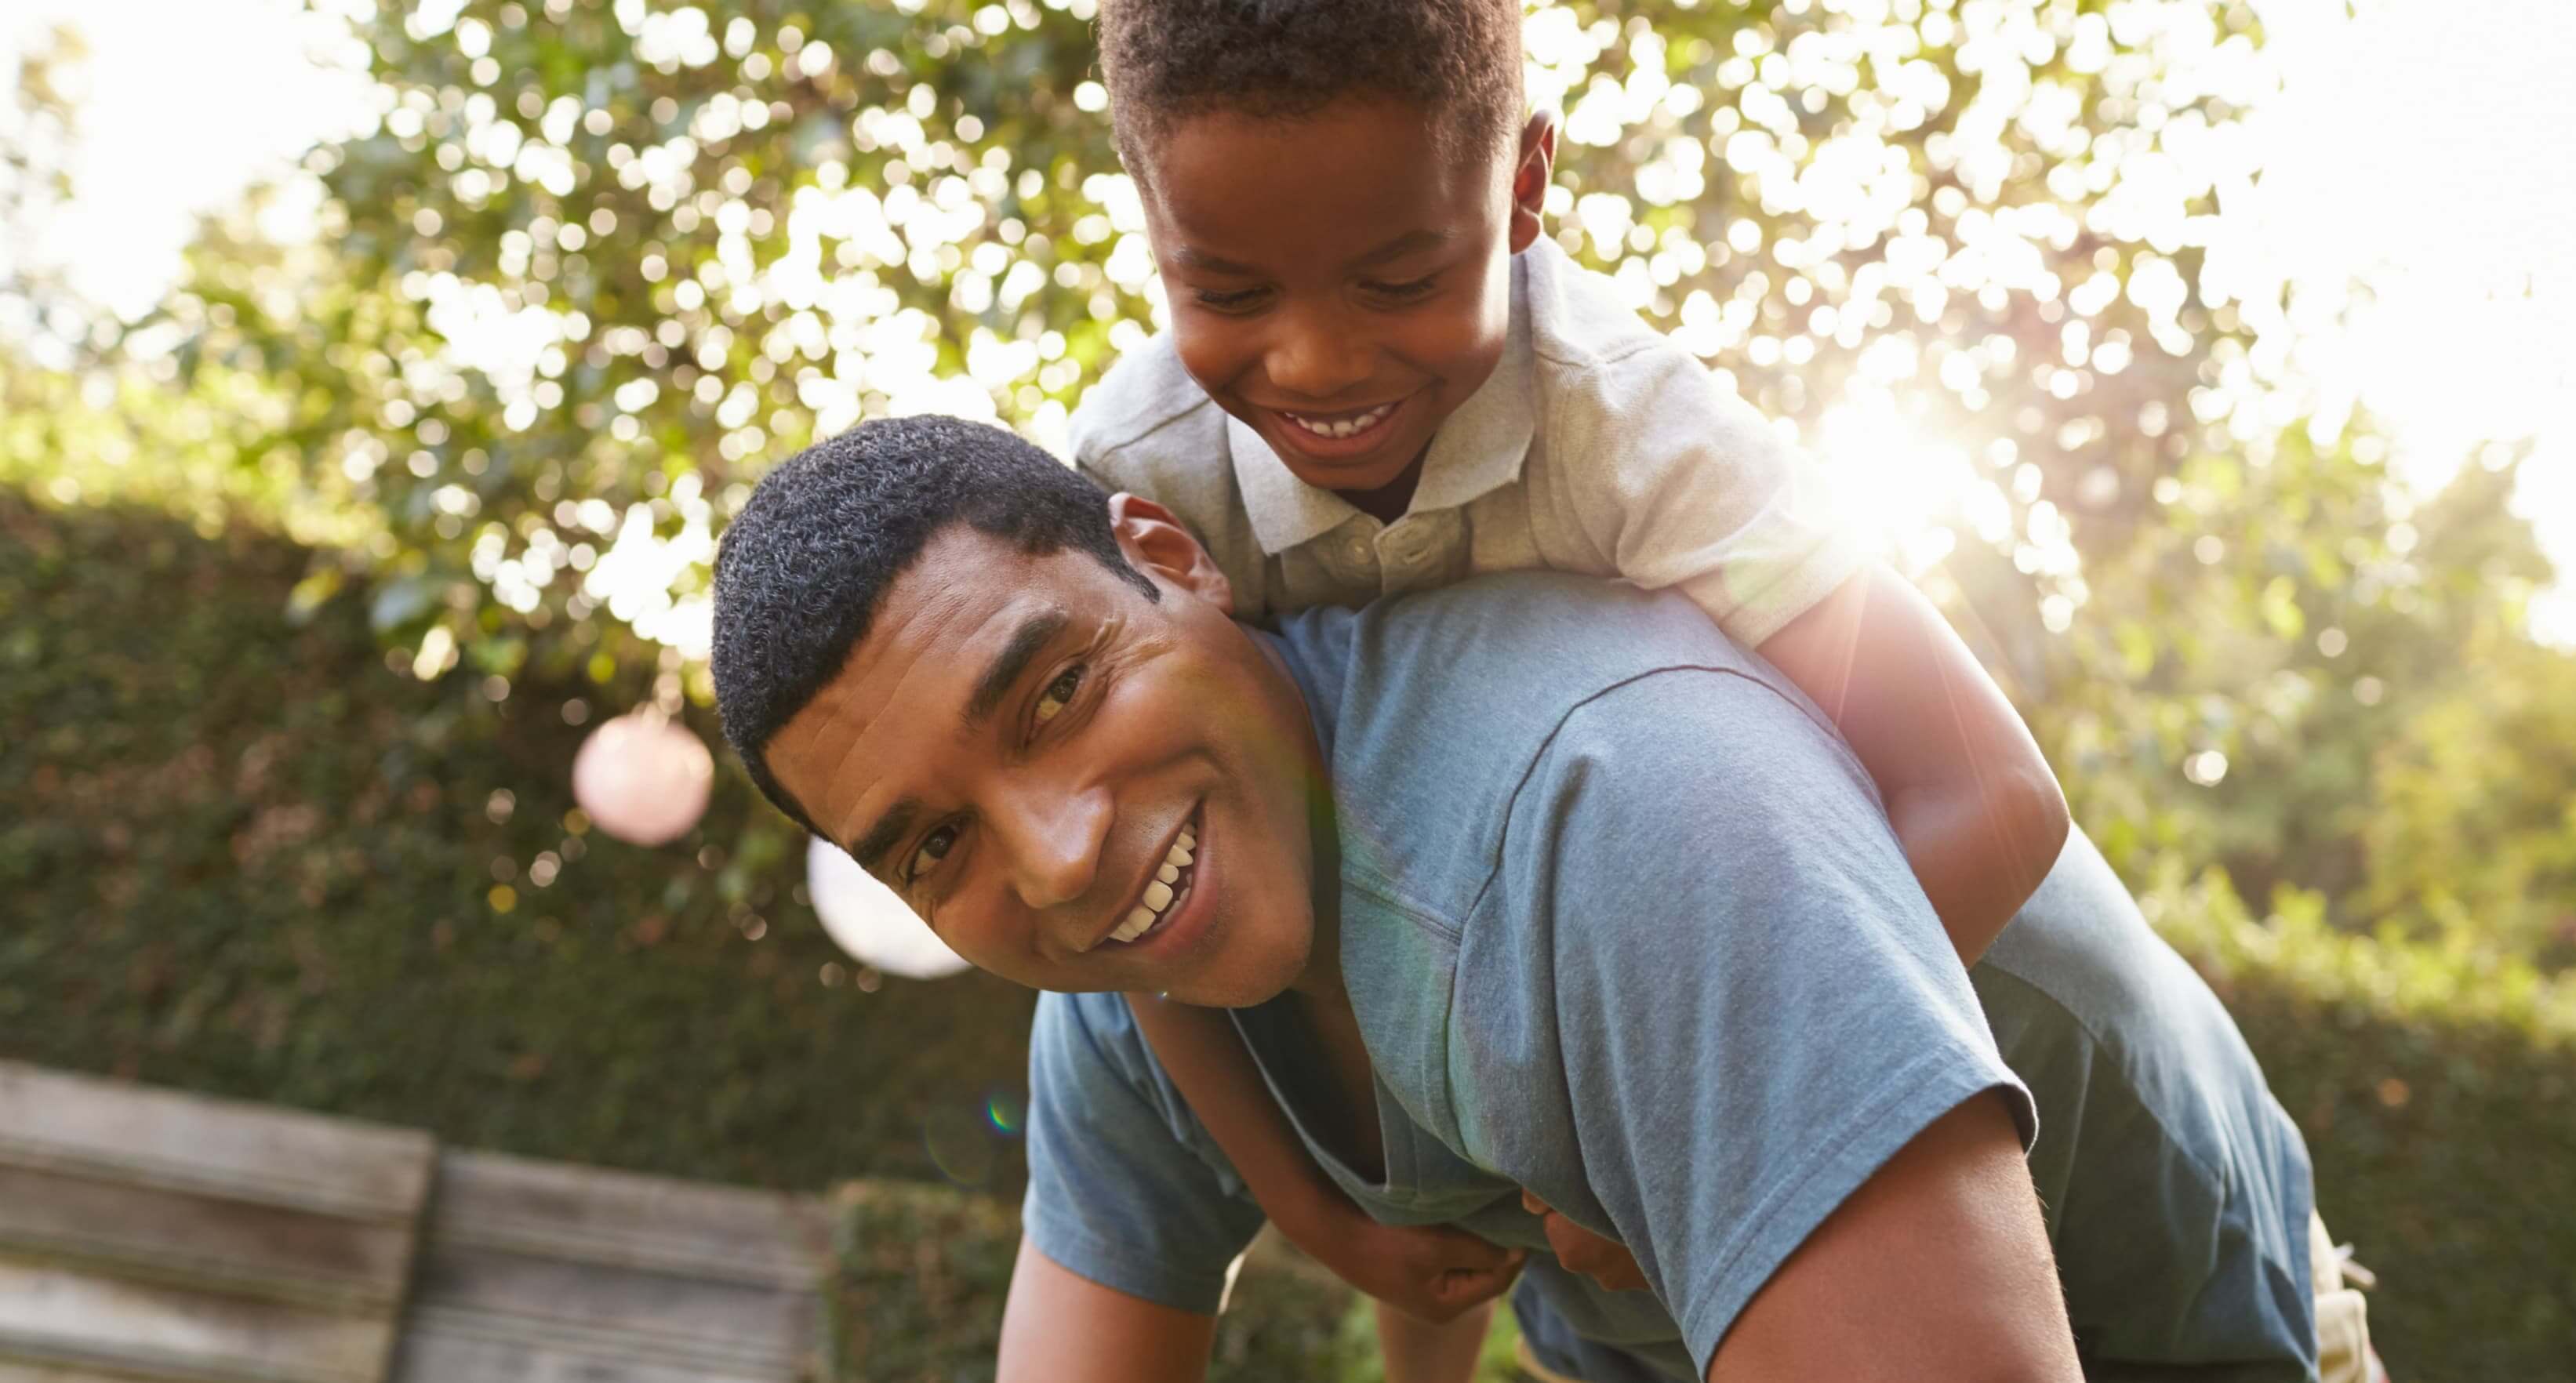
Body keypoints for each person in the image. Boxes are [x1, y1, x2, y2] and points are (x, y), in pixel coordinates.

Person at [707, 417, 2333, 1381]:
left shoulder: (1614, 807)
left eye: (1056, 691)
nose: (1054, 860)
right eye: (931, 847)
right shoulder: (1149, 967)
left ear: (1172, 557)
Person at [1066, 0, 2079, 1343]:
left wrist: (1681, 1131)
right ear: (1151, 232)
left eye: (1400, 279)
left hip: (1926, 1049)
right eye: (1231, 291)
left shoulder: (1640, 434)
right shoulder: (1148, 476)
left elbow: (1993, 797)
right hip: (1444, 975)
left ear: (1525, 186)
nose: (1316, 360)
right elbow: (1143, 900)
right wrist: (1316, 1216)